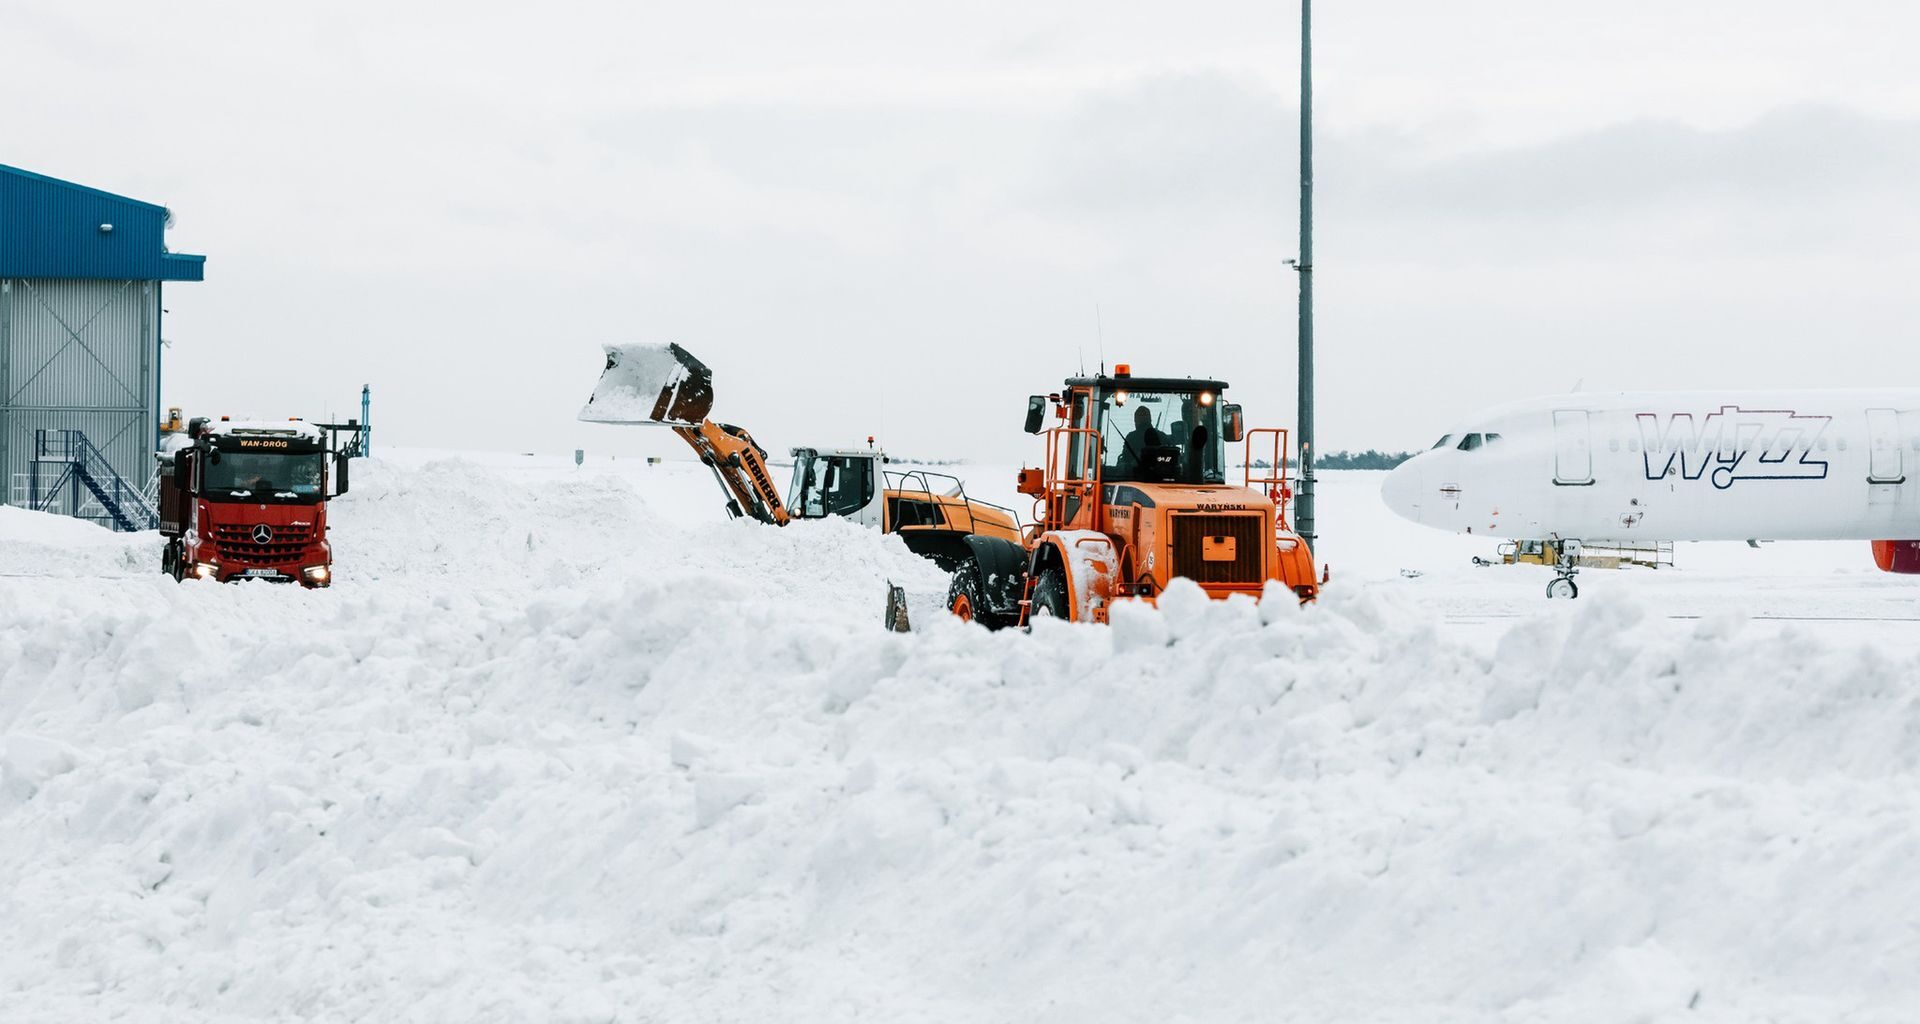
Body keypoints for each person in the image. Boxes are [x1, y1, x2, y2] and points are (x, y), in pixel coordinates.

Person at [1115, 405, 1165, 478]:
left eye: (1136, 419)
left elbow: (1125, 459)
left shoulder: (1131, 437)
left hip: (1134, 477)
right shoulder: (1162, 436)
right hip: (1160, 477)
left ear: (1136, 421)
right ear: (1150, 419)